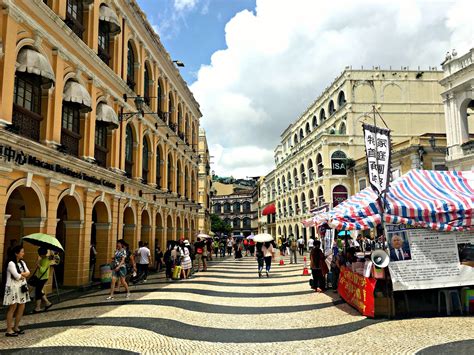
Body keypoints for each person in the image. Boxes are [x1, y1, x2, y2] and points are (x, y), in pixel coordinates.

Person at [3, 245, 30, 337]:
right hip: (13, 287)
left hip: (21, 287)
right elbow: (17, 276)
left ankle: (16, 327)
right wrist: (22, 275)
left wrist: (21, 274)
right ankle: (9, 329)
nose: (23, 253)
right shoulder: (11, 263)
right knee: (12, 308)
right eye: (22, 252)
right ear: (16, 253)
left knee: (22, 306)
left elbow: (28, 272)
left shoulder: (22, 262)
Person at [32, 247, 59, 313]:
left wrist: (38, 265)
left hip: (42, 278)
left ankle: (38, 308)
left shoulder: (45, 260)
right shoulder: (45, 258)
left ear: (41, 254)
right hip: (42, 277)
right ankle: (47, 303)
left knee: (38, 292)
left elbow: (42, 270)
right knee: (39, 290)